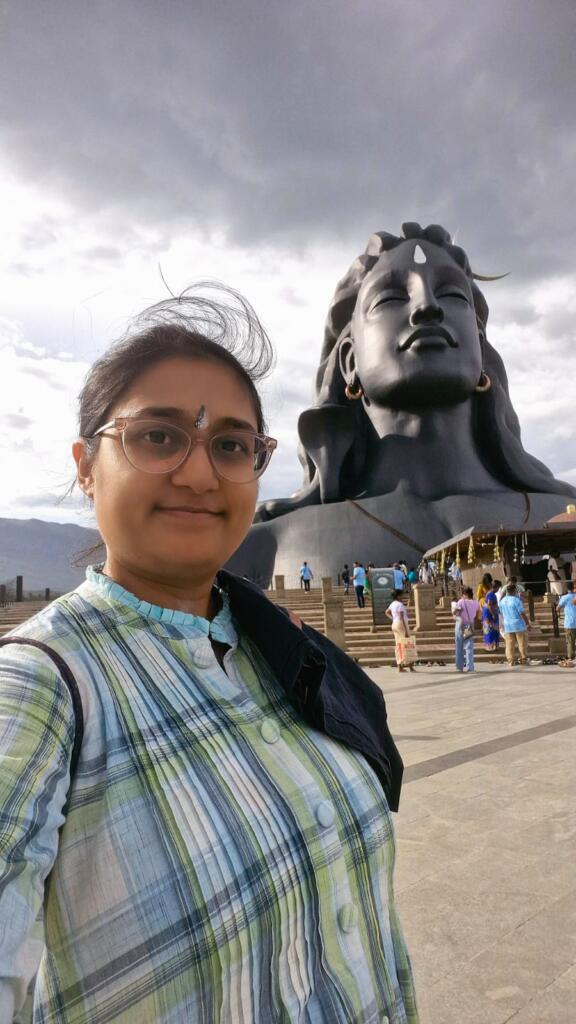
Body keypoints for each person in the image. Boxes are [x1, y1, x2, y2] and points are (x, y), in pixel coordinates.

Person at [0, 289, 418, 1023]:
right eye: (157, 436)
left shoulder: (286, 654)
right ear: (86, 465)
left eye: (231, 445)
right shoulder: (38, 688)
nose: (199, 475)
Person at [499, 583, 531, 666]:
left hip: (508, 625)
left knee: (509, 644)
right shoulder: (516, 600)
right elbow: (522, 613)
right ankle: (523, 659)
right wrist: (528, 624)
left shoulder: (502, 601)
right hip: (518, 625)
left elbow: (501, 613)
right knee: (522, 643)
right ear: (514, 591)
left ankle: (511, 661)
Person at [385, 590, 415, 673]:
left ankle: (400, 666)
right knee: (407, 644)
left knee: (398, 645)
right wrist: (405, 630)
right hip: (401, 624)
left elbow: (386, 612)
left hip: (395, 624)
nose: (403, 596)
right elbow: (401, 618)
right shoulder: (400, 605)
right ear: (398, 596)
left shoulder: (392, 604)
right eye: (401, 595)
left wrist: (394, 619)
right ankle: (410, 666)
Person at [453, 586, 481, 672]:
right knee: (469, 647)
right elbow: (478, 616)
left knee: (459, 647)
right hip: (469, 626)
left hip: (460, 626)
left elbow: (455, 613)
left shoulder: (461, 602)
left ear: (464, 594)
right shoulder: (476, 603)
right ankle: (470, 668)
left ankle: (459, 667)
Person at [481, 579, 501, 652]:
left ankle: (493, 645)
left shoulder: (490, 593)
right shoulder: (491, 594)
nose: (498, 589)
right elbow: (489, 605)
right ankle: (491, 646)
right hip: (489, 613)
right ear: (495, 587)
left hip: (489, 612)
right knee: (490, 629)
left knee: (492, 629)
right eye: (498, 588)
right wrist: (493, 614)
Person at [558, 582, 576, 660]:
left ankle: (570, 657)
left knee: (570, 641)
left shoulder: (564, 597)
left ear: (567, 588)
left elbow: (557, 608)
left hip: (570, 623)